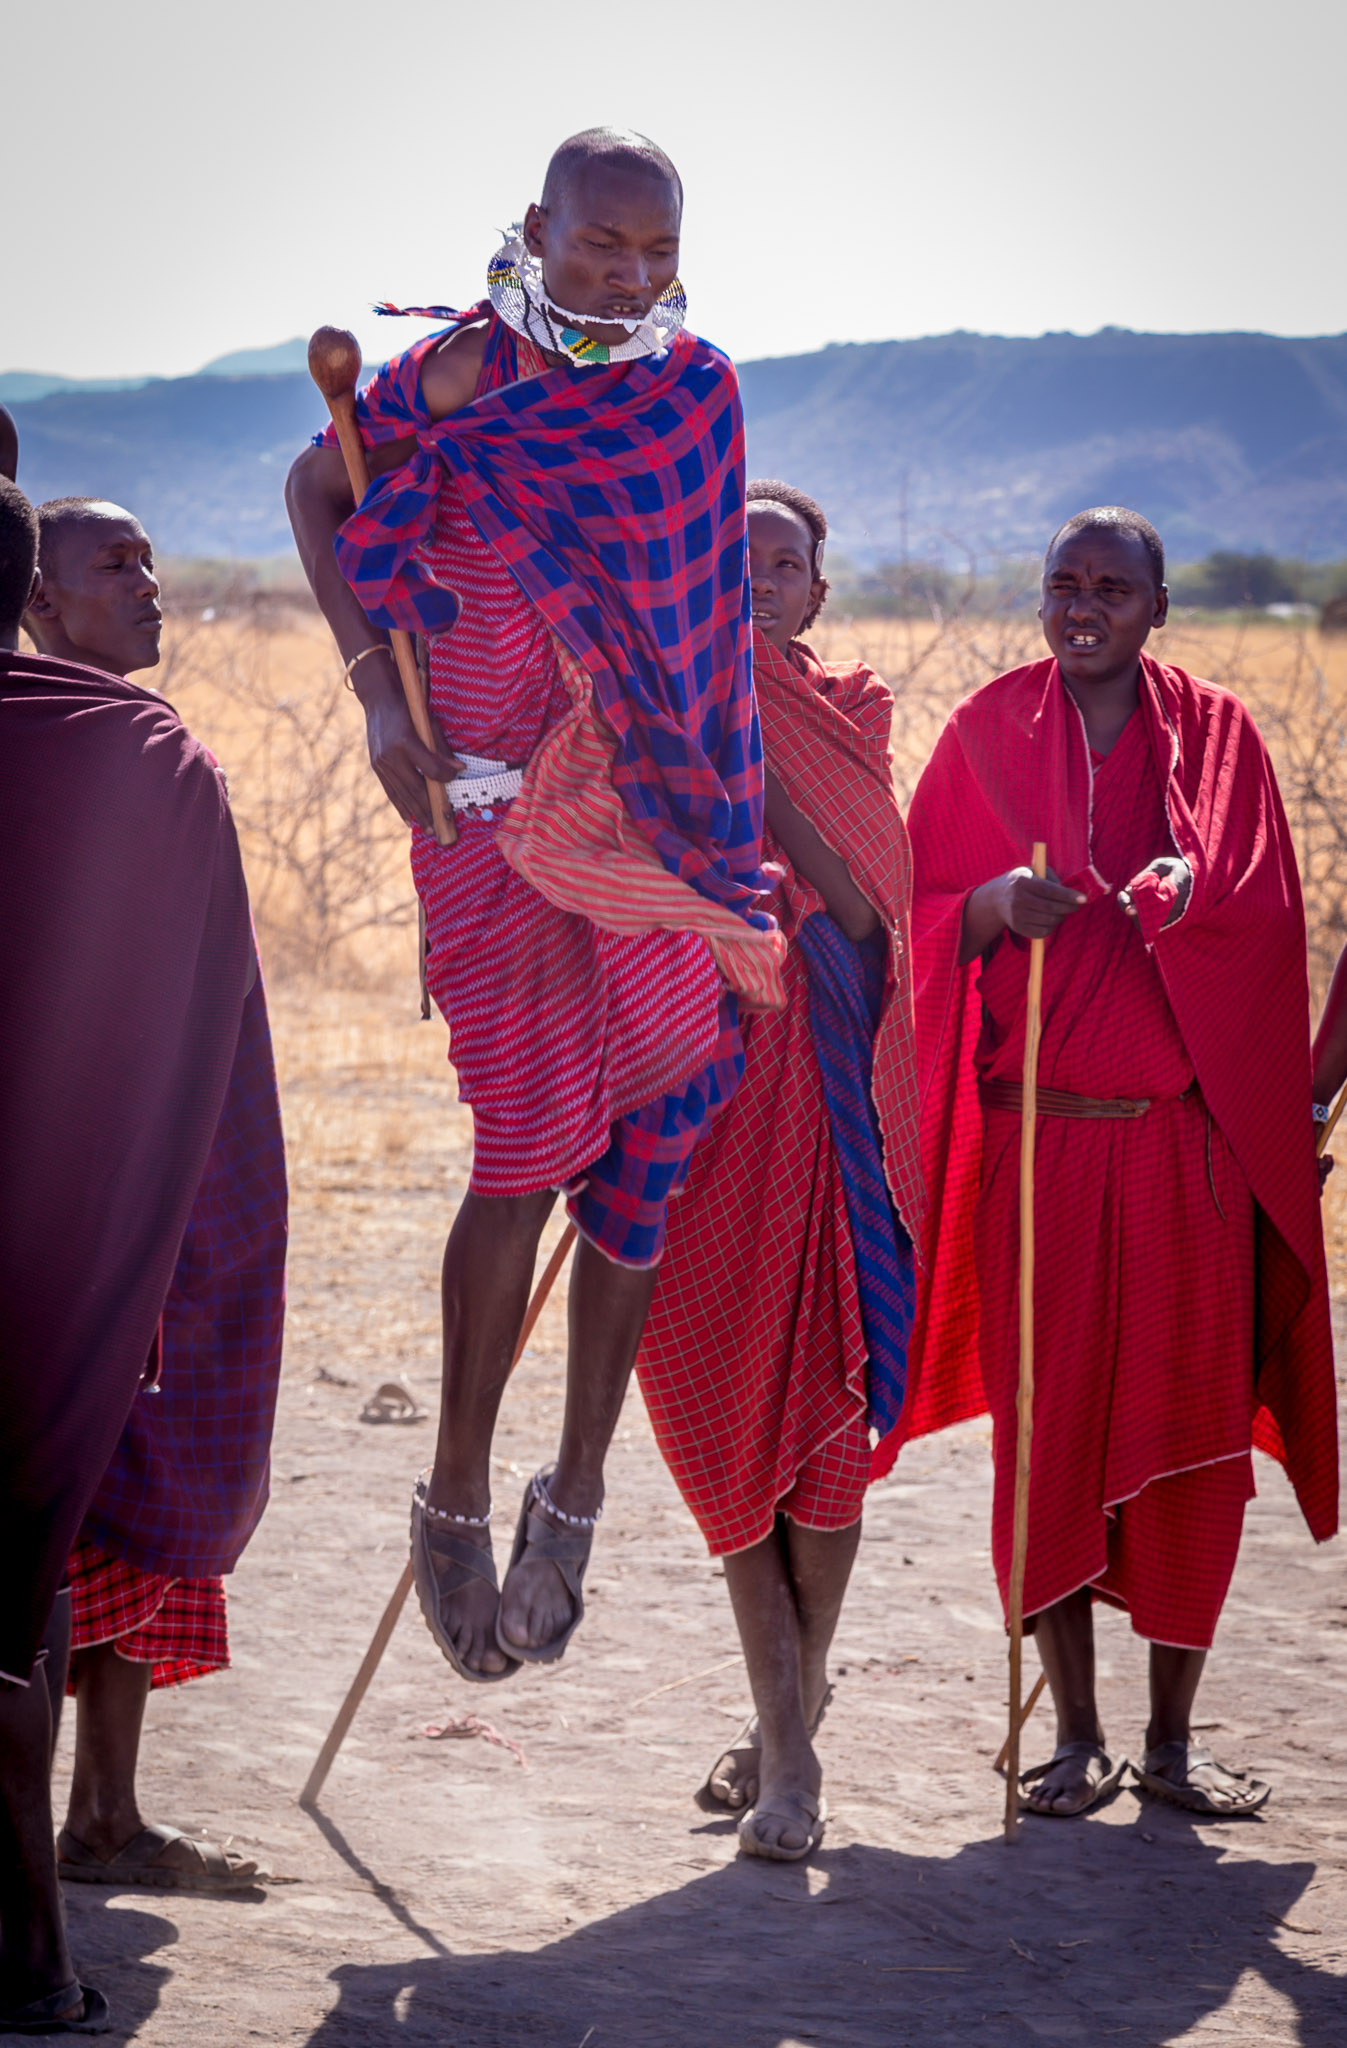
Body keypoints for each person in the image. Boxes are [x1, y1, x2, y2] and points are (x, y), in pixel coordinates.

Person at [287, 128, 781, 1681]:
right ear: (536, 231)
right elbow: (319, 489)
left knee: (651, 1135)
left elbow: (701, 631)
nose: (629, 276)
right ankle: (450, 1490)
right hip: (481, 819)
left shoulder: (695, 392)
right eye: (599, 247)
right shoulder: (447, 383)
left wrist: (717, 821)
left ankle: (573, 1492)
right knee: (521, 1145)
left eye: (655, 250)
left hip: (643, 820)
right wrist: (378, 697)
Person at [905, 505, 1338, 1818]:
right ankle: (1077, 1738)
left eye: (1112, 586)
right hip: (1039, 1152)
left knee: (1194, 1444)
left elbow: (1265, 905)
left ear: (1159, 608)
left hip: (1182, 1156)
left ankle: (1168, 1743)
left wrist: (1187, 894)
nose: (1082, 604)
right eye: (1062, 584)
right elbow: (913, 911)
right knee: (1045, 1440)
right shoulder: (986, 732)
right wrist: (984, 912)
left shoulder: (1220, 737)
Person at [636, 481, 924, 1859]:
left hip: (823, 1096)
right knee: (704, 1404)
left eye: (785, 562)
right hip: (688, 1100)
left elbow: (870, 910)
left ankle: (790, 1747)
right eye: (730, 557)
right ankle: (788, 1721)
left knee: (823, 1404)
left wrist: (754, 766)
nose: (755, 578)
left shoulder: (848, 714)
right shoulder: (646, 700)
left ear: (818, 592)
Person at [0, 477, 255, 2032]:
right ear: (30, 593)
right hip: (60, 1241)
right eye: (114, 566)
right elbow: (187, 1035)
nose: (148, 589)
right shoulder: (143, 762)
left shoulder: (136, 754)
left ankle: (93, 1836)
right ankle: (32, 1955)